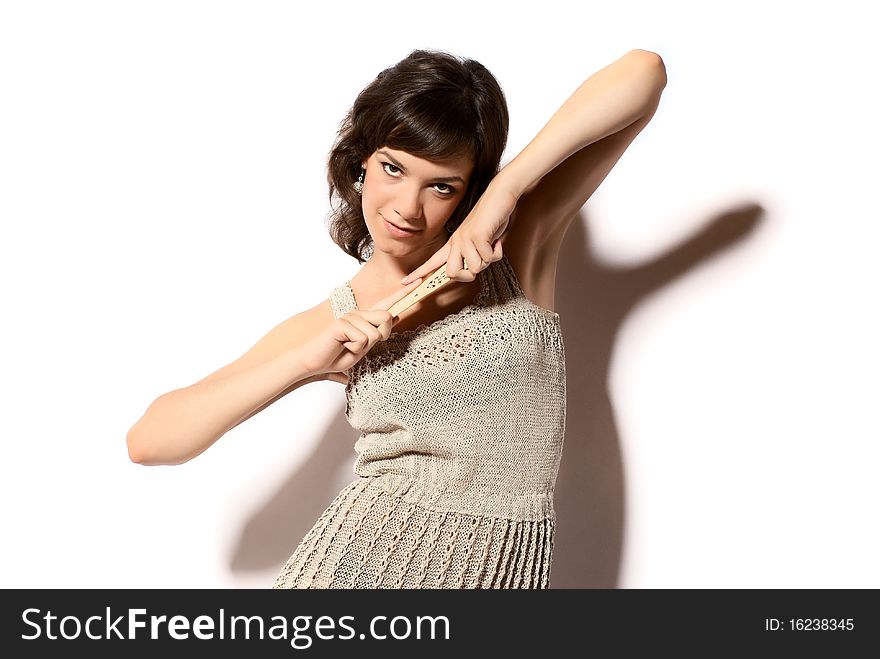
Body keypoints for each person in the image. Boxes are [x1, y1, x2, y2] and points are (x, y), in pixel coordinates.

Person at [127, 48, 667, 588]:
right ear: (362, 160)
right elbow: (150, 441)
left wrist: (504, 189)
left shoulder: (518, 250)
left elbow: (643, 73)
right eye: (393, 168)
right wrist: (301, 363)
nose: (407, 207)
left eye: (442, 185)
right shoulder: (336, 319)